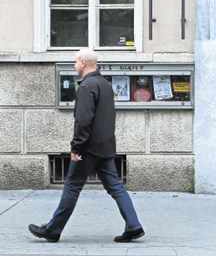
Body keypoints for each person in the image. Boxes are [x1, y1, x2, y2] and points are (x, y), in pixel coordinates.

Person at [29, 48, 144, 243]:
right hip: (105, 145)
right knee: (116, 187)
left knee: (72, 186)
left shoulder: (86, 86)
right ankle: (134, 226)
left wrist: (76, 148)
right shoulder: (104, 85)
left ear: (83, 63)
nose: (74, 65)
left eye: (75, 62)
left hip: (88, 148)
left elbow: (83, 121)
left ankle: (53, 230)